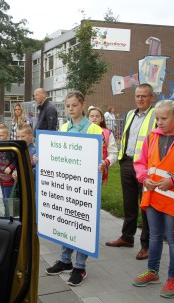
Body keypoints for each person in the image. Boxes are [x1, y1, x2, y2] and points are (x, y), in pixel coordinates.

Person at [132, 100, 174, 299]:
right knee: (154, 235)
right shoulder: (152, 138)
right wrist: (144, 178)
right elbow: (141, 162)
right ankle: (152, 272)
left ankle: (173, 279)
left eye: (164, 118)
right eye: (157, 118)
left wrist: (173, 180)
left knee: (172, 239)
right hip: (153, 195)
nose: (159, 122)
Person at [45, 91, 103, 287]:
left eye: (74, 105)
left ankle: (80, 266)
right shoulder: (63, 127)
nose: (71, 109)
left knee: (82, 225)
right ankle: (65, 260)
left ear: (83, 105)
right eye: (68, 106)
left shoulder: (94, 129)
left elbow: (102, 156)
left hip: (85, 187)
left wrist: (103, 163)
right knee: (66, 222)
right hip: (66, 185)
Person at [105, 83, 157, 261]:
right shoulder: (129, 114)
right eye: (137, 96)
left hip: (146, 166)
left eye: (144, 96)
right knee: (129, 204)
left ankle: (147, 245)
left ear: (152, 97)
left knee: (146, 205)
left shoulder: (155, 115)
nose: (140, 99)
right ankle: (127, 237)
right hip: (127, 163)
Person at [88, 106, 118, 184]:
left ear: (102, 119)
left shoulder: (107, 133)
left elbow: (113, 153)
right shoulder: (82, 132)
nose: (94, 118)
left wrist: (106, 162)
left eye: (97, 116)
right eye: (92, 116)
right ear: (87, 118)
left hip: (99, 168)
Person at [0, 123, 15, 217]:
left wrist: (10, 167)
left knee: (8, 200)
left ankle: (8, 217)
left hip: (9, 180)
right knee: (4, 199)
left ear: (8, 136)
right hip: (2, 179)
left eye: (1, 135)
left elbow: (16, 160)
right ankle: (7, 215)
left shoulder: (10, 147)